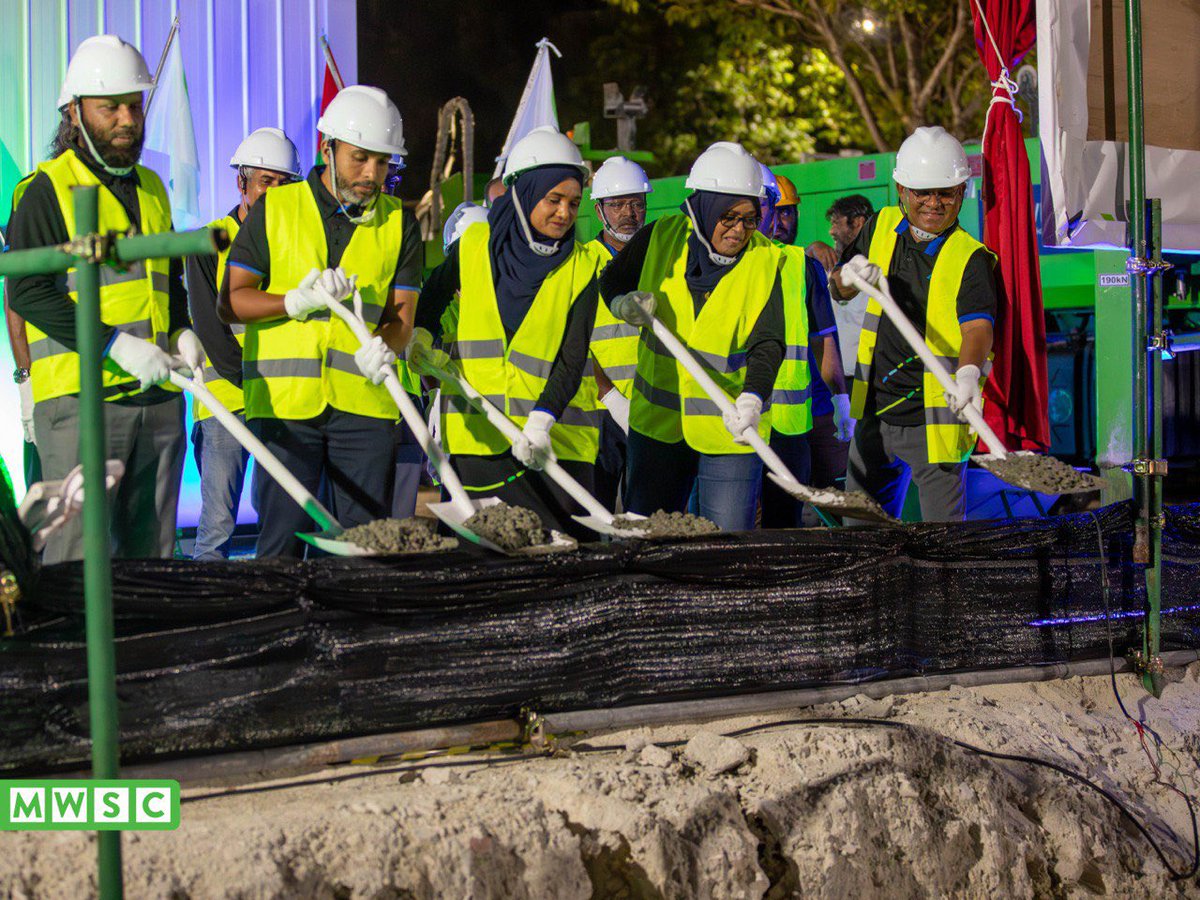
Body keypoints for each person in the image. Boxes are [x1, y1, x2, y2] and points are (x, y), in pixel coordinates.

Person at [7, 34, 201, 563]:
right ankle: (76, 650)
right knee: (77, 559)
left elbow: (168, 285)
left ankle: (147, 648)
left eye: (134, 105)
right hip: (81, 402)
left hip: (158, 401)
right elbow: (26, 292)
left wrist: (182, 332)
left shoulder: (154, 188)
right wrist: (115, 345)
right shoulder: (44, 190)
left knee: (154, 558)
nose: (127, 119)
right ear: (74, 113)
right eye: (109, 107)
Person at [221, 85, 422, 558]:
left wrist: (387, 345)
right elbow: (232, 302)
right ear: (327, 147)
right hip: (286, 410)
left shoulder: (400, 222)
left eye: (383, 162)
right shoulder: (277, 209)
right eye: (360, 158)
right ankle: (281, 629)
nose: (372, 174)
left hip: (366, 412)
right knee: (280, 547)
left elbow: (402, 317)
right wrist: (291, 302)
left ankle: (353, 631)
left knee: (365, 549)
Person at [416, 126, 602, 537]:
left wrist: (541, 420)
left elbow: (572, 360)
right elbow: (429, 298)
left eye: (573, 203)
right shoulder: (474, 245)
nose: (564, 213)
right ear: (523, 193)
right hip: (474, 441)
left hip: (551, 444)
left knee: (553, 557)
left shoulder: (582, 266)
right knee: (480, 562)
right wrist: (421, 339)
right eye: (553, 200)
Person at [599, 141, 785, 532]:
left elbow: (768, 341)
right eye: (728, 217)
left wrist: (753, 397)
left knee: (727, 545)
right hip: (657, 429)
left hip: (728, 429)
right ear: (703, 207)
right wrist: (621, 305)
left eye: (750, 219)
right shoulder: (659, 238)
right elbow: (612, 279)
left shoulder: (766, 261)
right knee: (649, 541)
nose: (739, 231)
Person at [829, 127, 996, 523]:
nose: (934, 203)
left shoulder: (970, 258)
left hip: (932, 422)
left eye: (946, 193)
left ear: (962, 192)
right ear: (902, 189)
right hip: (874, 413)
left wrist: (970, 374)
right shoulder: (881, 226)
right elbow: (839, 288)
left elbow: (977, 329)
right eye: (923, 192)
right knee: (861, 537)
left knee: (943, 546)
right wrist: (848, 277)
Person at [186, 127, 300, 560]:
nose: (274, 193)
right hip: (225, 403)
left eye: (284, 184)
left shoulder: (294, 242)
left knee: (279, 517)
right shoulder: (209, 241)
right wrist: (252, 383)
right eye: (265, 182)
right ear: (242, 183)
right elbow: (212, 329)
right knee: (217, 525)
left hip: (281, 400)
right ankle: (208, 612)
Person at [759, 167, 853, 528]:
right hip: (761, 411)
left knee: (834, 499)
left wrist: (839, 400)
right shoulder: (747, 264)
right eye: (775, 210)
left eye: (789, 211)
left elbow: (824, 338)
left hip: (809, 405)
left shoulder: (804, 265)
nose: (781, 220)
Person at [586, 155, 652, 510]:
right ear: (599, 210)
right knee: (594, 510)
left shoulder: (663, 259)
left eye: (637, 203)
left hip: (654, 405)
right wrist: (611, 398)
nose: (628, 213)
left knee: (646, 514)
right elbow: (573, 341)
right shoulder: (582, 264)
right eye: (617, 204)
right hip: (600, 409)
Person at [812, 194, 875, 377]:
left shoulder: (877, 267)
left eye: (836, 223)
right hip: (836, 383)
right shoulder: (830, 264)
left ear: (858, 223)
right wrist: (810, 249)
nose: (831, 231)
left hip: (867, 381)